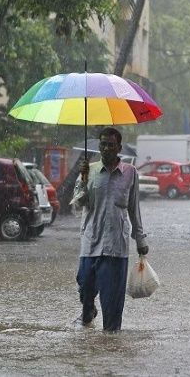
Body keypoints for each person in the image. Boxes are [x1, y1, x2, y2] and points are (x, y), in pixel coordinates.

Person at [71, 127, 149, 331]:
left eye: (110, 145)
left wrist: (140, 239)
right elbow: (78, 205)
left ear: (119, 148)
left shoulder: (130, 173)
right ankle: (88, 310)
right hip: (90, 241)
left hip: (116, 246)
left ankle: (110, 346)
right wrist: (82, 180)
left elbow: (134, 208)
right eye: (103, 144)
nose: (106, 148)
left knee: (112, 304)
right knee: (85, 286)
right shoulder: (89, 170)